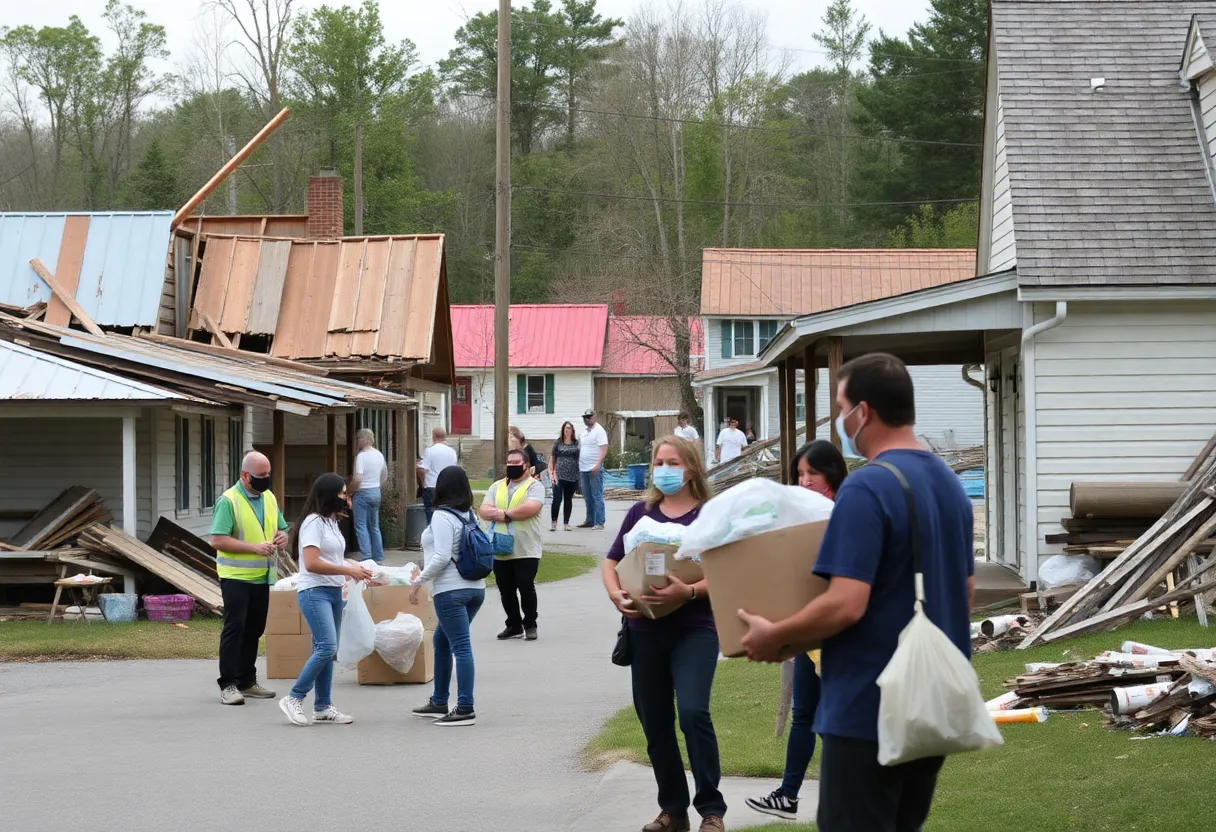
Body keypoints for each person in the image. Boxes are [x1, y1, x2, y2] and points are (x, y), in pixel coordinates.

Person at [738, 353, 974, 832]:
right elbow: (964, 591)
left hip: (868, 710)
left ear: (862, 412)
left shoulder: (866, 487)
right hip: (930, 708)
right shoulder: (951, 484)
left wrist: (775, 636)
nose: (840, 419)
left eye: (842, 406)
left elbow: (846, 602)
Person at [603, 436, 726, 832]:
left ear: (690, 468)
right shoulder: (641, 511)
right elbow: (611, 561)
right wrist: (616, 594)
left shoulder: (710, 514)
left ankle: (712, 810)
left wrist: (688, 591)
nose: (664, 469)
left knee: (692, 713)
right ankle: (674, 811)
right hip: (644, 629)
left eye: (672, 462)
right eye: (659, 462)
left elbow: (728, 572)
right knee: (655, 723)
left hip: (695, 629)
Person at [746, 439, 848, 822]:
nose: (804, 481)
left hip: (838, 634)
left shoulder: (846, 513)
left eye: (813, 473)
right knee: (805, 714)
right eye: (800, 474)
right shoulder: (800, 516)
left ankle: (853, 789)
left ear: (832, 474)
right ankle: (788, 795)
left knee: (835, 719)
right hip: (808, 635)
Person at [279, 474, 376, 727]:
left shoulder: (332, 522)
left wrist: (359, 570)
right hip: (315, 592)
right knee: (327, 646)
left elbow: (333, 559)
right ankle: (294, 697)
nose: (347, 499)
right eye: (343, 494)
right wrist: (348, 571)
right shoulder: (314, 522)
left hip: (333, 592)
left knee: (325, 650)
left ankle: (322, 706)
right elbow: (311, 563)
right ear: (329, 495)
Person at [210, 451, 289, 706]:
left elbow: (281, 526)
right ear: (245, 475)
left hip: (262, 575)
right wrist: (254, 548)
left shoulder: (268, 497)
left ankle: (247, 680)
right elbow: (218, 539)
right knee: (235, 628)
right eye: (261, 476)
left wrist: (282, 536)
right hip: (235, 576)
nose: (266, 480)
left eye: (268, 475)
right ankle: (228, 684)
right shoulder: (228, 501)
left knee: (255, 630)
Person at [411, 466, 488, 726]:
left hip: (450, 591)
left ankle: (465, 707)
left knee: (460, 646)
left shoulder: (442, 516)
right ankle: (439, 700)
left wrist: (419, 581)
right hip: (475, 588)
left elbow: (442, 557)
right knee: (442, 641)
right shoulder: (469, 515)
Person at [480, 449, 545, 641]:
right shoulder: (497, 486)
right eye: (509, 463)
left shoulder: (535, 486)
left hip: (526, 548)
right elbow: (483, 509)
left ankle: (530, 624)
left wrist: (505, 514)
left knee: (525, 586)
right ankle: (514, 624)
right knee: (505, 589)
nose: (512, 466)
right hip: (500, 547)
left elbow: (532, 507)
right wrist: (500, 513)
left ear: (526, 466)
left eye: (516, 463)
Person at [350, 428, 387, 563]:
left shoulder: (361, 456)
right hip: (375, 491)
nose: (357, 441)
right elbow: (384, 476)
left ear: (363, 439)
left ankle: (366, 557)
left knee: (361, 526)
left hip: (362, 493)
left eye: (358, 439)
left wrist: (349, 492)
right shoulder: (379, 455)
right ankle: (378, 557)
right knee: (374, 527)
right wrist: (376, 486)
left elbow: (358, 478)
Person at [417, 427, 459, 522]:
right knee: (447, 514)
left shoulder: (429, 451)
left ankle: (433, 534)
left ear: (434, 436)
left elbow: (423, 470)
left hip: (432, 485)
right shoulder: (452, 452)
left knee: (431, 514)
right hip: (448, 487)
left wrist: (423, 484)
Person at [578, 408, 609, 529]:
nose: (587, 419)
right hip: (583, 468)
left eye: (589, 417)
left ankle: (600, 522)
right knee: (587, 495)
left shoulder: (599, 431)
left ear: (594, 417)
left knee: (597, 495)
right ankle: (590, 520)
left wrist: (598, 464)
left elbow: (604, 448)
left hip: (594, 468)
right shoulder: (585, 433)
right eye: (585, 418)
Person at [549, 420, 581, 532]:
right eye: (565, 428)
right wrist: (552, 473)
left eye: (569, 428)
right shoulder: (558, 442)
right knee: (557, 499)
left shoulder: (576, 443)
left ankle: (566, 523)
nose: (567, 430)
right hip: (559, 475)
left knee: (568, 500)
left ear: (572, 431)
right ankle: (554, 522)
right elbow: (552, 458)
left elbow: (578, 458)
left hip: (572, 475)